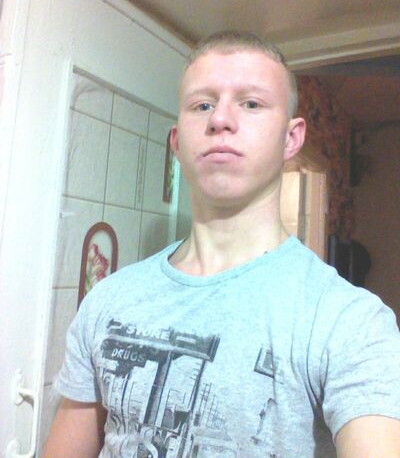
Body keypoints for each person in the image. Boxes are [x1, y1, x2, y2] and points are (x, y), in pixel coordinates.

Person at [44, 31, 400, 457]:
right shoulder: (107, 300)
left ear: (291, 139)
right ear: (177, 142)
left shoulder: (349, 321)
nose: (220, 119)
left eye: (251, 103)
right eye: (202, 105)